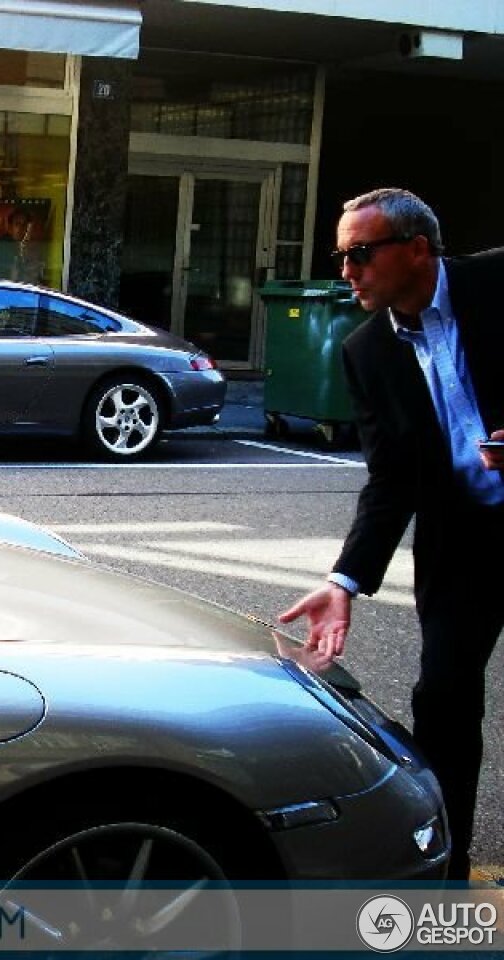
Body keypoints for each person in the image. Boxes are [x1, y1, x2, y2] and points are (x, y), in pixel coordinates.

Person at [278, 188, 504, 882]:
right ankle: (449, 871)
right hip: (464, 542)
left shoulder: (498, 282)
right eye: (341, 256)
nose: (347, 271)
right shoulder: (365, 350)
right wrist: (345, 579)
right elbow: (391, 478)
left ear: (416, 249)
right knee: (441, 698)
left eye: (360, 254)